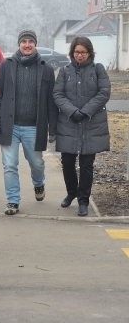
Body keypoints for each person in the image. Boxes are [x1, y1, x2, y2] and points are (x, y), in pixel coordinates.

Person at [0, 29, 57, 215]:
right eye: (24, 41)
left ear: (35, 44)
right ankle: (13, 201)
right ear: (19, 44)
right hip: (9, 126)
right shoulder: (7, 66)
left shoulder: (46, 69)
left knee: (36, 163)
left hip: (33, 126)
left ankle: (38, 183)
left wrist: (53, 129)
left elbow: (51, 102)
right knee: (9, 165)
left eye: (30, 41)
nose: (27, 45)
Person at [53, 36, 111, 217]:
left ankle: (83, 199)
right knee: (67, 162)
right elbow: (58, 94)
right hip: (69, 123)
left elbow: (104, 92)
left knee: (87, 163)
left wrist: (85, 111)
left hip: (91, 124)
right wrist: (72, 111)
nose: (80, 55)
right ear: (72, 53)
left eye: (83, 52)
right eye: (77, 52)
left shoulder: (98, 69)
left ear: (89, 53)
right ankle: (72, 192)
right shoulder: (65, 71)